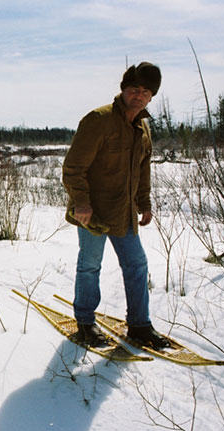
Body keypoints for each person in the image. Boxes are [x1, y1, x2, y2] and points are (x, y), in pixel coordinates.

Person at [61, 61, 170, 349]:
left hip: (124, 213)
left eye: (146, 91)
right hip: (93, 214)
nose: (139, 95)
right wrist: (81, 203)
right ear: (123, 90)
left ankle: (139, 325)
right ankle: (85, 323)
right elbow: (73, 168)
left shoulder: (142, 128)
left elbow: (143, 170)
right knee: (90, 266)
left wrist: (144, 202)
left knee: (137, 265)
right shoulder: (99, 120)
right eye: (134, 89)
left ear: (151, 97)